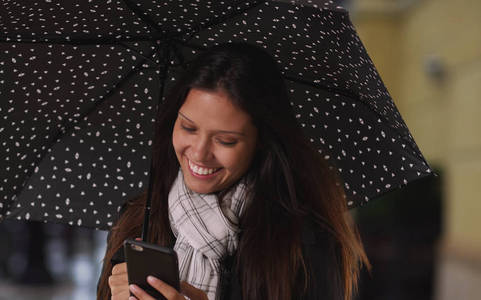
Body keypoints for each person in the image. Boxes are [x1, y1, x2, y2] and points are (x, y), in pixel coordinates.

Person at [97, 42, 371, 300]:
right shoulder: (137, 217)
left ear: (262, 141)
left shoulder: (305, 242)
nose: (199, 152)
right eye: (188, 128)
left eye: (225, 140)